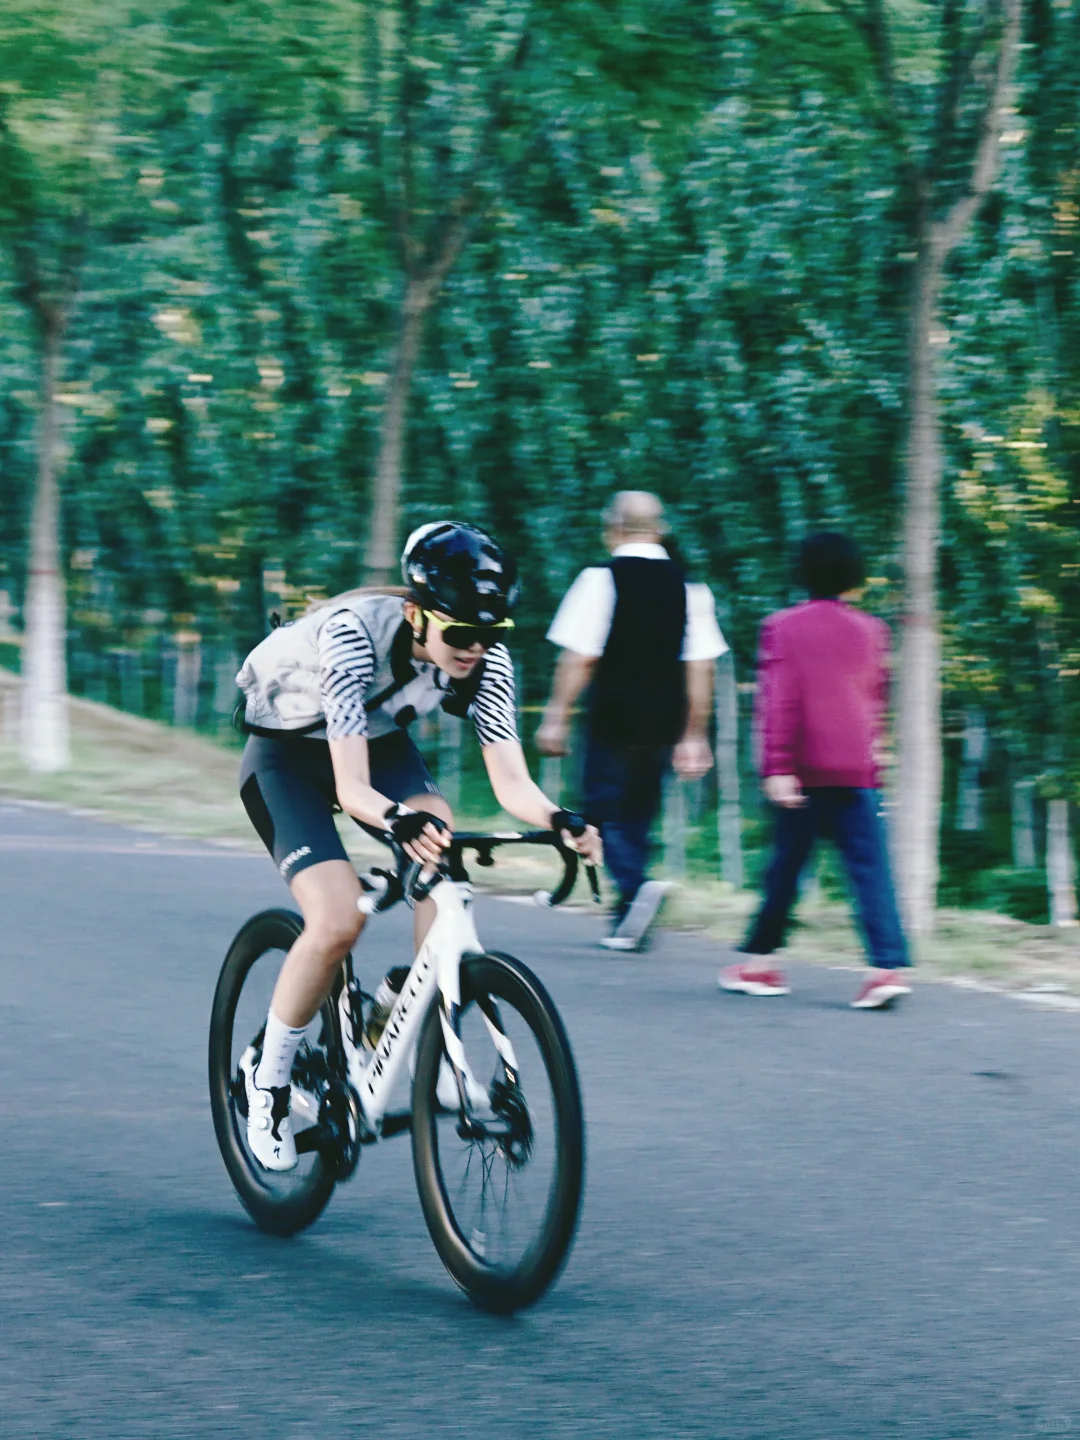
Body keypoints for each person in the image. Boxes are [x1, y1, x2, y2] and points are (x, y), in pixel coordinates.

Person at [234, 521, 601, 1170]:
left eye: (492, 634)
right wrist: (397, 820)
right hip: (286, 758)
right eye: (460, 634)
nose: (476, 649)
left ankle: (419, 1017)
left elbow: (511, 782)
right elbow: (351, 788)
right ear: (415, 615)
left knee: (440, 837)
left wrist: (559, 818)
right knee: (337, 917)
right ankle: (267, 1080)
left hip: (374, 742)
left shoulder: (485, 658)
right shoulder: (353, 637)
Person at [718, 531, 912, 1009]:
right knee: (871, 870)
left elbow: (779, 699)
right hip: (857, 769)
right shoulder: (873, 630)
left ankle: (761, 965)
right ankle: (886, 969)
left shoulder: (783, 626)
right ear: (855, 576)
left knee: (785, 869)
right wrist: (875, 761)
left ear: (802, 573)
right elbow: (876, 699)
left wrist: (777, 766)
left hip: (803, 771)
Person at [537, 491, 726, 952]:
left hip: (612, 715)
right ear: (660, 531)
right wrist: (694, 734)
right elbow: (701, 667)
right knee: (638, 815)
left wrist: (557, 717)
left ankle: (636, 886)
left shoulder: (600, 579)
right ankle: (629, 917)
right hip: (664, 721)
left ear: (613, 529)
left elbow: (580, 657)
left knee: (599, 810)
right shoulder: (691, 587)